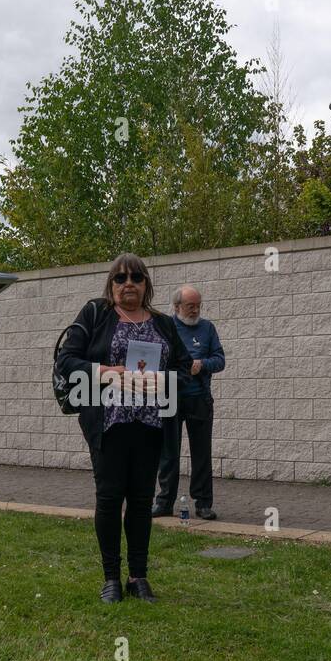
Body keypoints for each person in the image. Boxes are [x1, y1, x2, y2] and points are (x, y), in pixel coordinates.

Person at [56, 254, 193, 604]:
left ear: (146, 284)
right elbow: (67, 359)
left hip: (150, 424)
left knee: (142, 500)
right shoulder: (96, 314)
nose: (128, 283)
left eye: (135, 277)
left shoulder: (163, 323)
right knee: (109, 498)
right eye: (120, 278)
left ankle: (139, 576)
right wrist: (104, 372)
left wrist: (161, 379)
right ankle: (111, 578)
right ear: (111, 284)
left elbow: (182, 369)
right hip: (109, 423)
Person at [152, 284, 225, 520]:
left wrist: (202, 364)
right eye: (190, 306)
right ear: (176, 307)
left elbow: (220, 359)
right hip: (170, 396)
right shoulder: (165, 327)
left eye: (198, 306)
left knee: (201, 453)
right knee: (168, 452)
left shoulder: (207, 328)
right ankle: (164, 502)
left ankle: (203, 503)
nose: (195, 310)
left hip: (199, 398)